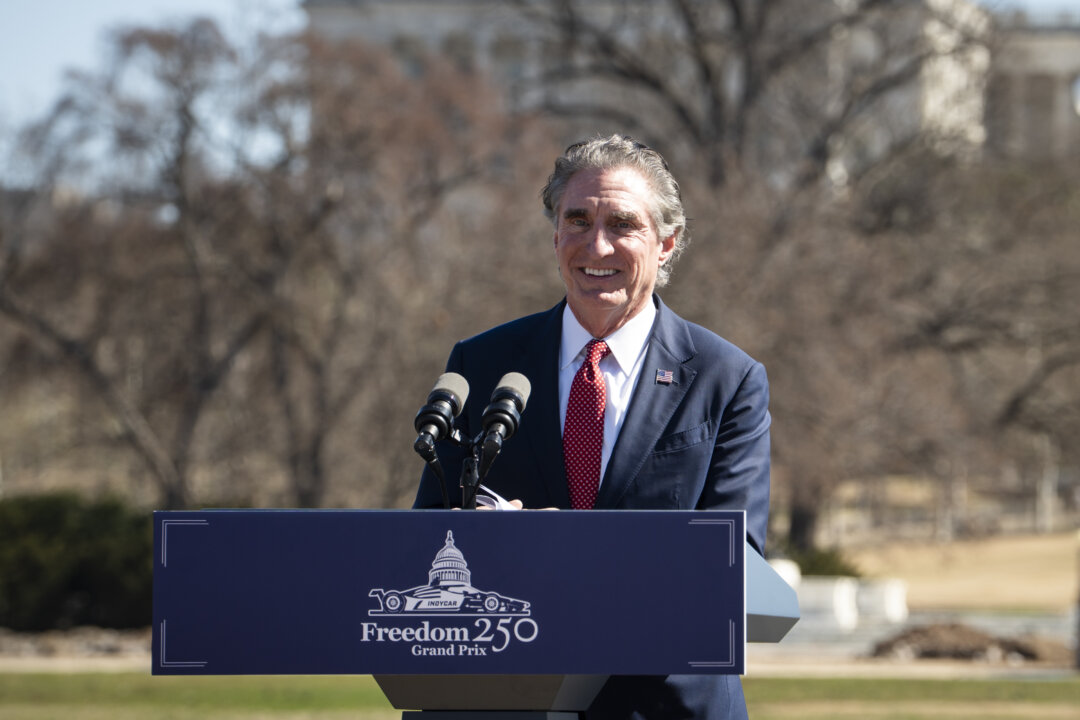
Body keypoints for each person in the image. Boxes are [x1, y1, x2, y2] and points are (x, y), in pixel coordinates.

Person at [413, 135, 771, 720]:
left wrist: (571, 551)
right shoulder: (482, 363)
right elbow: (427, 533)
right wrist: (483, 536)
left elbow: (738, 563)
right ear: (555, 235)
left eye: (623, 224)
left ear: (666, 243)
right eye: (577, 220)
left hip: (661, 705)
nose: (596, 244)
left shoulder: (725, 378)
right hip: (506, 697)